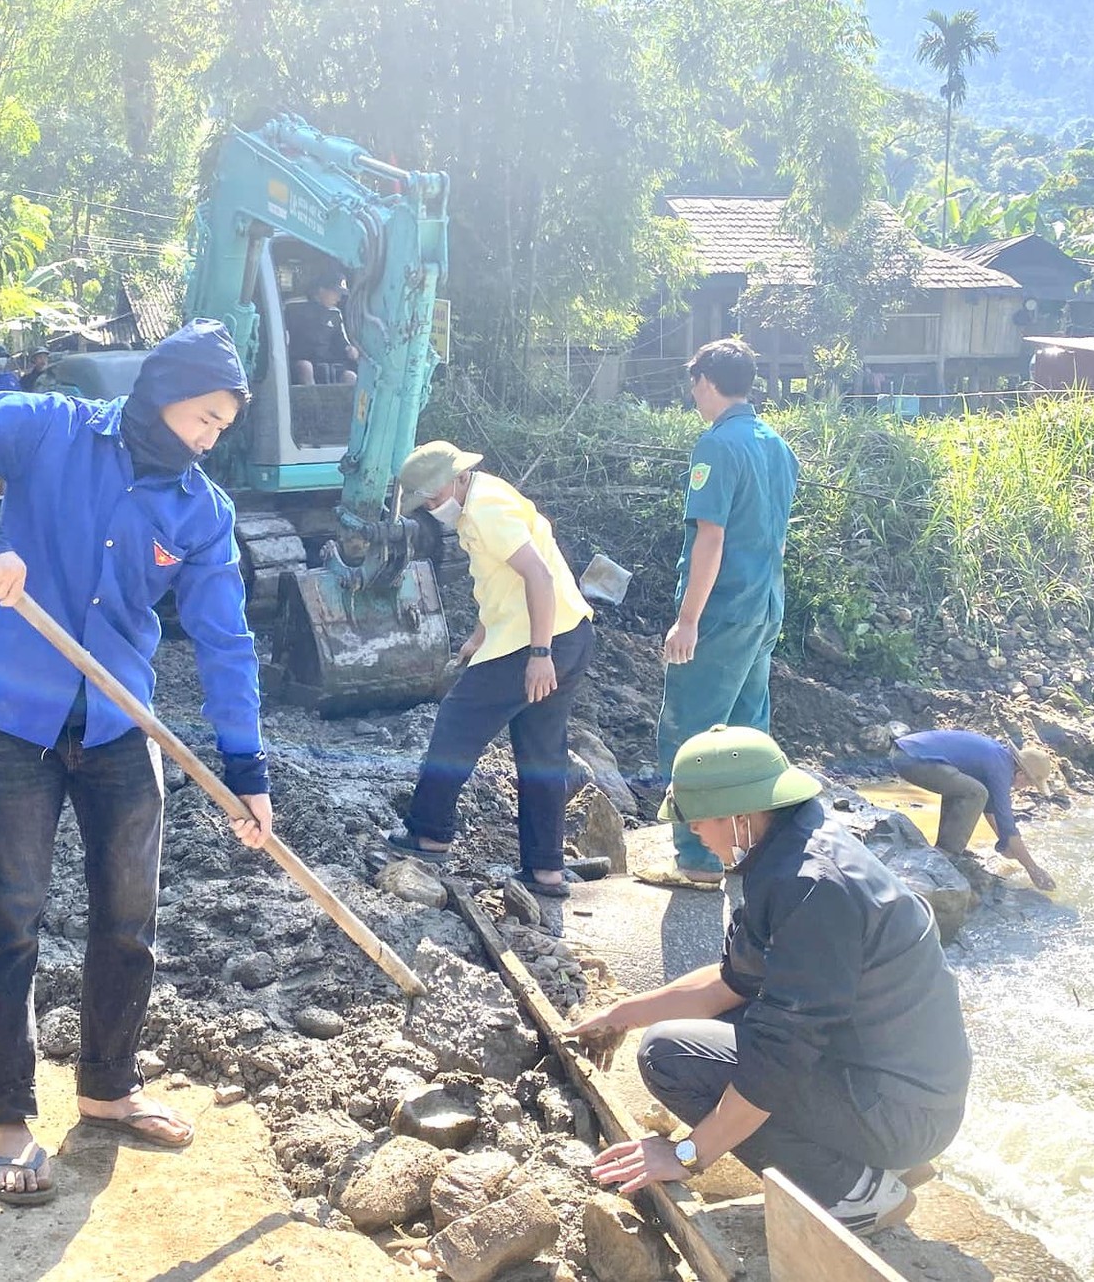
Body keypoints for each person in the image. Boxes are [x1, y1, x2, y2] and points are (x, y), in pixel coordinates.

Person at [0, 318, 277, 1206]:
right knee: (11, 917)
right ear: (162, 390)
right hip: (17, 718)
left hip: (118, 726)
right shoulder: (50, 425)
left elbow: (225, 642)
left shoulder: (201, 511)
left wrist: (246, 769)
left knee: (129, 914)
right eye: (204, 416)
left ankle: (106, 1085)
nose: (210, 436)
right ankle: (6, 1119)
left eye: (222, 425)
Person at [567, 725, 970, 1236]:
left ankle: (851, 1191)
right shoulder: (786, 851)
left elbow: (782, 1051)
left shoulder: (811, 888)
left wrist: (689, 1154)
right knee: (698, 1032)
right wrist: (620, 1014)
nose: (695, 836)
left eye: (696, 823)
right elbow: (733, 982)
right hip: (884, 1080)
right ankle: (873, 1160)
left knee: (672, 1058)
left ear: (737, 815)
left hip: (904, 1109)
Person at [386, 441, 597, 898]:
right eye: (423, 499)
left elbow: (538, 576)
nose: (430, 505)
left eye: (433, 495)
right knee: (541, 753)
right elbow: (505, 581)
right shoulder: (488, 496)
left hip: (535, 642)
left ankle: (430, 833)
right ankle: (545, 871)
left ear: (458, 476)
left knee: (456, 726)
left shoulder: (483, 511)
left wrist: (539, 655)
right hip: (571, 633)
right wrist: (479, 636)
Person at [650, 338, 799, 888]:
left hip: (721, 611)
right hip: (764, 607)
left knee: (691, 735)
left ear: (706, 382)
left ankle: (696, 858)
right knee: (746, 731)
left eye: (693, 385)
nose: (693, 396)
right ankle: (749, 849)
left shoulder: (716, 446)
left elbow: (710, 539)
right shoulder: (775, 444)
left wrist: (688, 620)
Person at [891, 729, 1059, 890]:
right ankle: (947, 853)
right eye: (1029, 784)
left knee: (968, 791)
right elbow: (1007, 825)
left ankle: (945, 848)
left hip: (907, 753)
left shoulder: (999, 758)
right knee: (976, 793)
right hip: (912, 759)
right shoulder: (1001, 769)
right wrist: (1034, 870)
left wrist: (1006, 845)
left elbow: (991, 811)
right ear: (1021, 774)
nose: (1024, 788)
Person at [284, 270, 358, 385]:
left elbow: (341, 340)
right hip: (296, 363)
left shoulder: (335, 313)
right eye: (336, 292)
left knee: (350, 377)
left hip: (326, 364)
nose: (339, 298)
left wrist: (349, 349)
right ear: (321, 290)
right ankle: (311, 402)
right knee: (305, 367)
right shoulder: (292, 307)